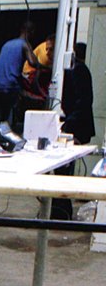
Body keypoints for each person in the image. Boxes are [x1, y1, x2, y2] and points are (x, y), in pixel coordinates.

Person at [51, 42, 95, 220]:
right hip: (75, 125)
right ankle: (60, 210)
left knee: (63, 171)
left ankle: (61, 211)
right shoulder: (78, 70)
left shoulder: (77, 70)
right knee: (63, 170)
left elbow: (82, 102)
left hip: (75, 127)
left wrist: (68, 126)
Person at [0, 22, 44, 128]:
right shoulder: (25, 44)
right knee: (8, 123)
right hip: (10, 87)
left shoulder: (7, 44)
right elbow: (32, 62)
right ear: (30, 32)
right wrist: (46, 67)